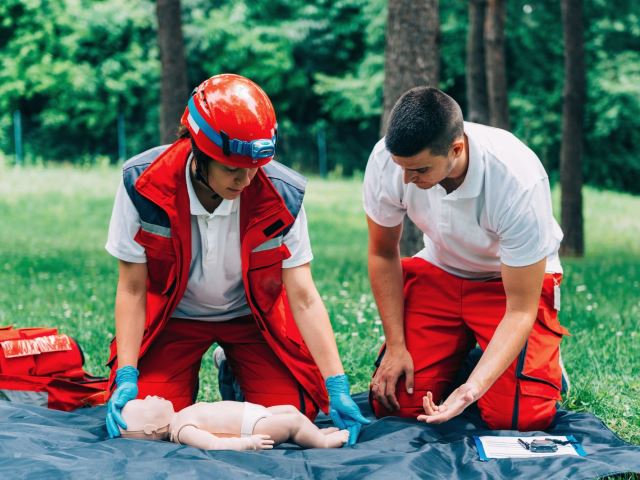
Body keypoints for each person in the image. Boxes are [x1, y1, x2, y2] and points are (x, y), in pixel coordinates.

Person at [104, 74, 368, 444]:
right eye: (231, 169)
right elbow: (131, 289)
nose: (245, 181)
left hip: (251, 321)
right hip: (173, 320)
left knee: (294, 414)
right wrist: (129, 374)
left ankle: (233, 372)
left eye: (254, 168)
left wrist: (336, 384)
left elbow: (304, 296)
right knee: (139, 426)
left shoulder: (282, 194)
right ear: (197, 152)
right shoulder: (143, 184)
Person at [364, 86, 569, 431]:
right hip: (441, 270)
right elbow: (383, 252)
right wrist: (397, 346)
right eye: (401, 168)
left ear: (456, 149)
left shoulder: (517, 180)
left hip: (506, 285)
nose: (405, 179)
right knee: (395, 403)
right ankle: (459, 356)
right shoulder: (389, 159)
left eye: (419, 170)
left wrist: (470, 391)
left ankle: (543, 367)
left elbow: (520, 309)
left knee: (519, 419)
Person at [119, 395, 350, 450]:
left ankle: (315, 432)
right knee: (293, 422)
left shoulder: (181, 415)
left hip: (256, 413)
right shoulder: (182, 430)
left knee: (290, 410)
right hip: (252, 427)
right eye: (144, 403)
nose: (149, 396)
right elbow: (213, 443)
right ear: (151, 428)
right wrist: (246, 443)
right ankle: (322, 442)